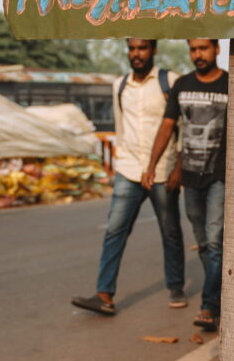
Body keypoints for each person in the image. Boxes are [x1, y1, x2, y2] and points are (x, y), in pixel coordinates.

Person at [142, 38, 234, 333]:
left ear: (217, 49)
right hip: (190, 178)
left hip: (221, 175)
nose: (198, 54)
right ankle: (220, 292)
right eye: (193, 49)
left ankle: (208, 305)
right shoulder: (182, 85)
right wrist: (153, 166)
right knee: (204, 243)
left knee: (215, 240)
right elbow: (168, 126)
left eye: (203, 48)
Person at [72, 38, 185, 317]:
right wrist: (119, 161)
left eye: (142, 48)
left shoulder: (169, 81)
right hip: (129, 169)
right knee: (114, 230)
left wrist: (178, 164)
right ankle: (104, 294)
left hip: (162, 170)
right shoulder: (119, 85)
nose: (136, 54)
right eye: (132, 48)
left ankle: (176, 286)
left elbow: (181, 126)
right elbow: (121, 127)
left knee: (170, 231)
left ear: (153, 50)